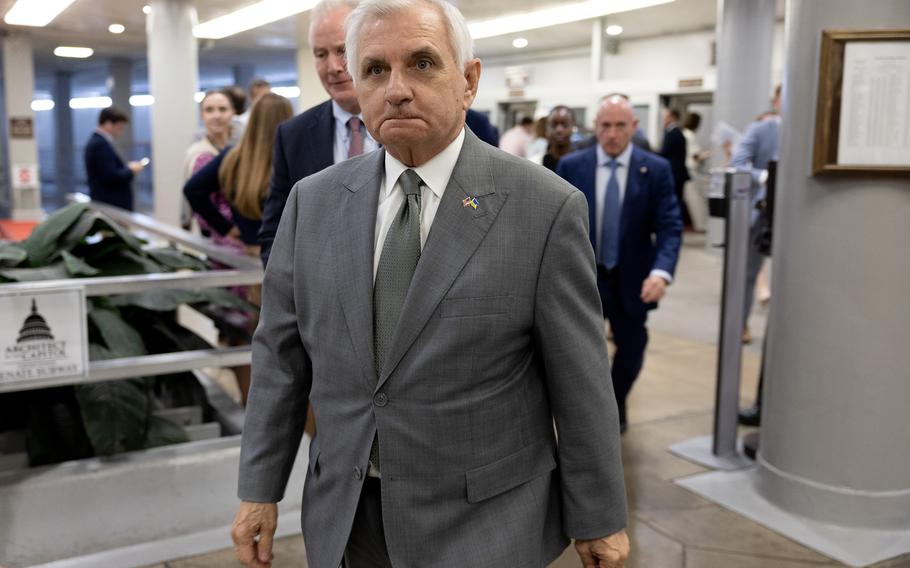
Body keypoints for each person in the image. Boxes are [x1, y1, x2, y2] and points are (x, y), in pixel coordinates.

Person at [231, 1, 630, 567]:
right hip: (348, 517)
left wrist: (599, 516)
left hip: (484, 524)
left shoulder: (543, 208)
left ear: (468, 81)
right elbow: (279, 356)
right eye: (374, 69)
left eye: (421, 64)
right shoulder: (312, 203)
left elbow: (580, 379)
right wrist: (259, 488)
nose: (396, 89)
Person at [556, 95, 682, 431]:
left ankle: (615, 400)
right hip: (583, 277)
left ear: (634, 127)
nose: (612, 134)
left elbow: (670, 226)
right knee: (578, 351)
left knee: (632, 346)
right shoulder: (572, 167)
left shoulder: (655, 170)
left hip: (632, 278)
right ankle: (589, 411)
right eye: (605, 126)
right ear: (595, 127)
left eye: (620, 126)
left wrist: (661, 272)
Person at [257, 0, 380, 267]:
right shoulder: (293, 136)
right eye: (321, 54)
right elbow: (275, 231)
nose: (333, 66)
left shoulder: (407, 121)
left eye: (342, 50)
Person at [735, 84, 782, 426]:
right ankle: (741, 324)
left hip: (802, 231)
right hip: (761, 220)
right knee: (747, 277)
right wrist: (766, 177)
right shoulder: (762, 129)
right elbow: (739, 163)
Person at [84, 107, 145, 210]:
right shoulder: (100, 144)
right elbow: (110, 175)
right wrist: (131, 170)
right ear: (108, 124)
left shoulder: (98, 142)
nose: (120, 133)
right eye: (119, 128)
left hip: (107, 202)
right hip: (110, 204)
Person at [660, 107, 690, 227]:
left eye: (666, 116)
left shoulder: (673, 132)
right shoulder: (679, 132)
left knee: (674, 200)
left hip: (674, 174)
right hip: (678, 173)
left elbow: (665, 152)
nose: (664, 119)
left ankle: (674, 224)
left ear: (673, 117)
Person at [682, 112, 709, 232]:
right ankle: (701, 225)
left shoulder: (684, 133)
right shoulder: (689, 135)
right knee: (695, 200)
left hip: (688, 169)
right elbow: (695, 156)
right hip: (690, 170)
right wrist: (710, 153)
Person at [529, 105, 576, 171]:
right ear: (547, 127)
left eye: (565, 124)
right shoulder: (536, 163)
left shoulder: (582, 163)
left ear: (573, 126)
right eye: (554, 124)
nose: (559, 130)